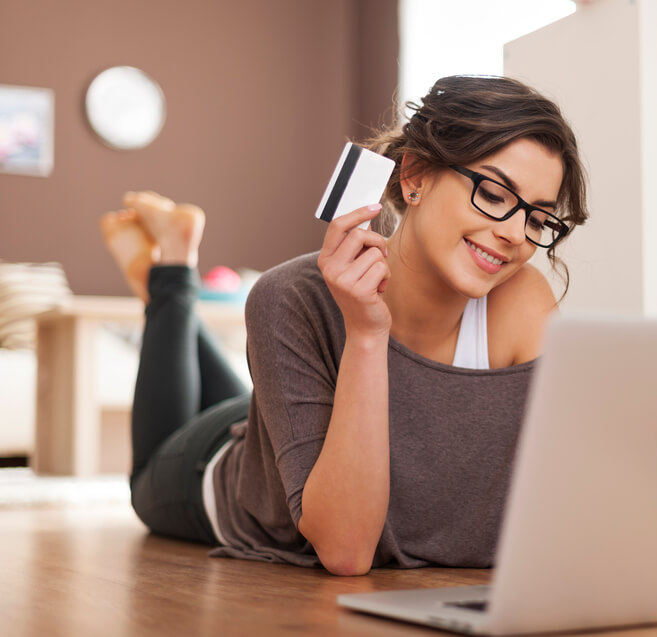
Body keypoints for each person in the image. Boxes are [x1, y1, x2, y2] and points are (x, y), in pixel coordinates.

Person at [100, 75, 589, 576]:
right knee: (143, 481)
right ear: (415, 175)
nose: (513, 234)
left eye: (537, 220)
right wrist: (366, 335)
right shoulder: (290, 296)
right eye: (492, 192)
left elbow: (564, 500)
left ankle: (168, 279)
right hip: (216, 470)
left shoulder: (522, 300)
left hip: (284, 423)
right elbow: (347, 551)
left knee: (266, 410)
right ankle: (172, 273)